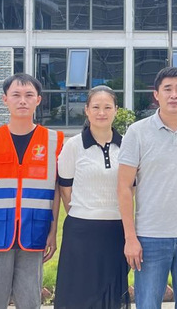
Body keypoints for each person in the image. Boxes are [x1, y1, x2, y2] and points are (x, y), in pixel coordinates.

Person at [0, 73, 63, 309]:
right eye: (16, 95)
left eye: (29, 95)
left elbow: (56, 191)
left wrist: (53, 232)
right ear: (5, 99)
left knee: (30, 302)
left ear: (39, 100)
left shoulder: (53, 141)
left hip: (34, 232)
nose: (22, 101)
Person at [117, 66, 177, 309]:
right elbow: (123, 187)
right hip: (150, 237)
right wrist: (130, 238)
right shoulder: (137, 132)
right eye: (168, 89)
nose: (174, 95)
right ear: (156, 94)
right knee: (148, 304)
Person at [54, 85, 130, 309]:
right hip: (81, 231)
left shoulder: (127, 145)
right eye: (96, 107)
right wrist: (84, 212)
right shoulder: (73, 146)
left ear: (116, 110)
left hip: (116, 229)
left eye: (107, 107)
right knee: (79, 294)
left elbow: (130, 188)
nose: (101, 112)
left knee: (110, 294)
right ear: (86, 110)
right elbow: (65, 188)